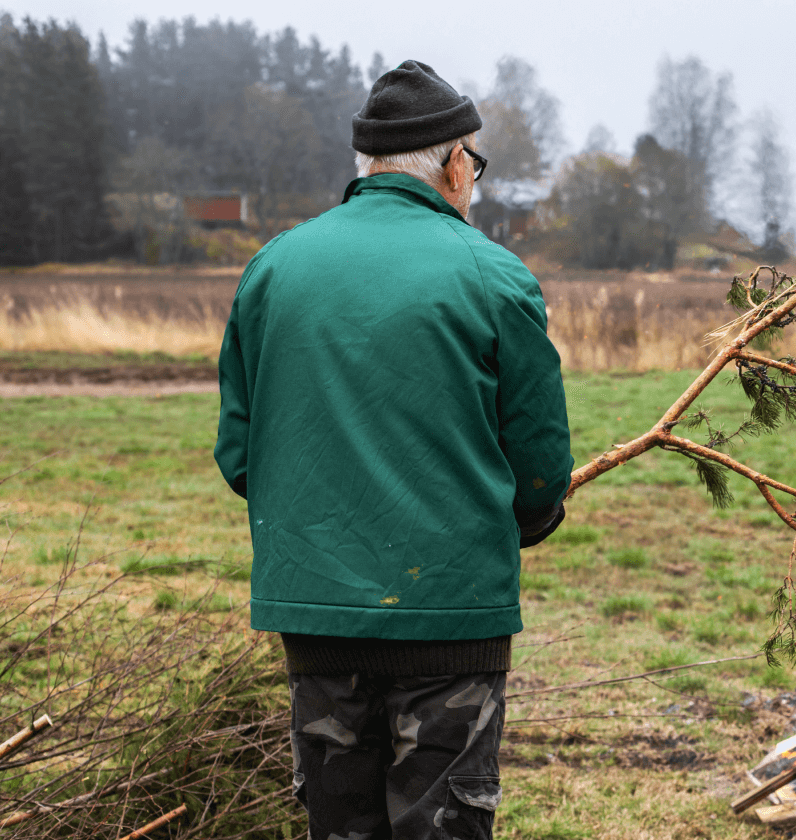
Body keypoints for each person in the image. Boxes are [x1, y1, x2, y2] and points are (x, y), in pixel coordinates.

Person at [214, 59, 572, 840]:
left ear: (368, 167)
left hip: (315, 616)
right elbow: (541, 467)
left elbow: (240, 457)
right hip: (452, 620)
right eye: (473, 163)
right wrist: (527, 520)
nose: (472, 180)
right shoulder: (495, 276)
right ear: (453, 163)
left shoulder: (273, 269)